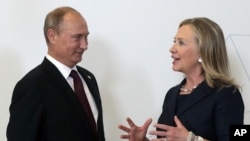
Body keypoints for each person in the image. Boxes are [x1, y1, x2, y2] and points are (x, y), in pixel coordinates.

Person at [118, 17, 244, 141]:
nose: (172, 49)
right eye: (174, 41)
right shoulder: (172, 94)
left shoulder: (228, 94)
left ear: (203, 51)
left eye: (181, 43)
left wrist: (191, 139)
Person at [7, 6, 105, 141]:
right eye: (77, 37)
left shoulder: (89, 78)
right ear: (52, 36)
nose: (84, 45)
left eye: (86, 37)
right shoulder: (32, 86)